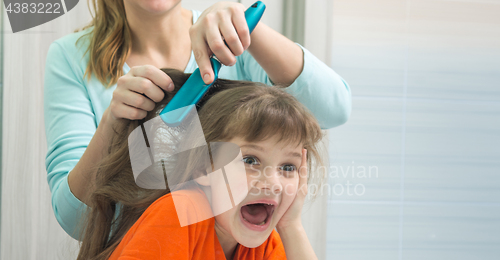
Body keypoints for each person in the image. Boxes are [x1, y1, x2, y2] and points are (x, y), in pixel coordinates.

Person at [44, 0, 351, 239]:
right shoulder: (70, 57)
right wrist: (113, 121)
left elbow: (334, 109)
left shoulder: (235, 45)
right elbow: (77, 222)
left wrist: (247, 28)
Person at [61, 68, 335, 260]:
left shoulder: (259, 238)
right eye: (250, 160)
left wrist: (292, 225)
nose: (273, 183)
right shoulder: (179, 215)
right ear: (205, 166)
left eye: (288, 167)